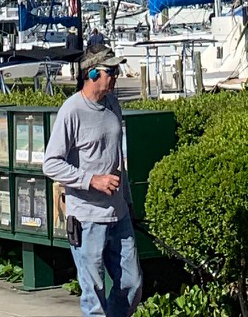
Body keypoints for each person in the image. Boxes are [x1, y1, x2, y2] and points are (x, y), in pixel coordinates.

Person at [41, 42, 141, 317]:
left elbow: (118, 159)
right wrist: (91, 180)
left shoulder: (112, 104)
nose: (117, 75)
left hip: (118, 215)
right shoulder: (71, 111)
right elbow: (50, 164)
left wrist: (128, 202)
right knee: (93, 296)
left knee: (132, 285)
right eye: (111, 70)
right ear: (93, 74)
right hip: (86, 219)